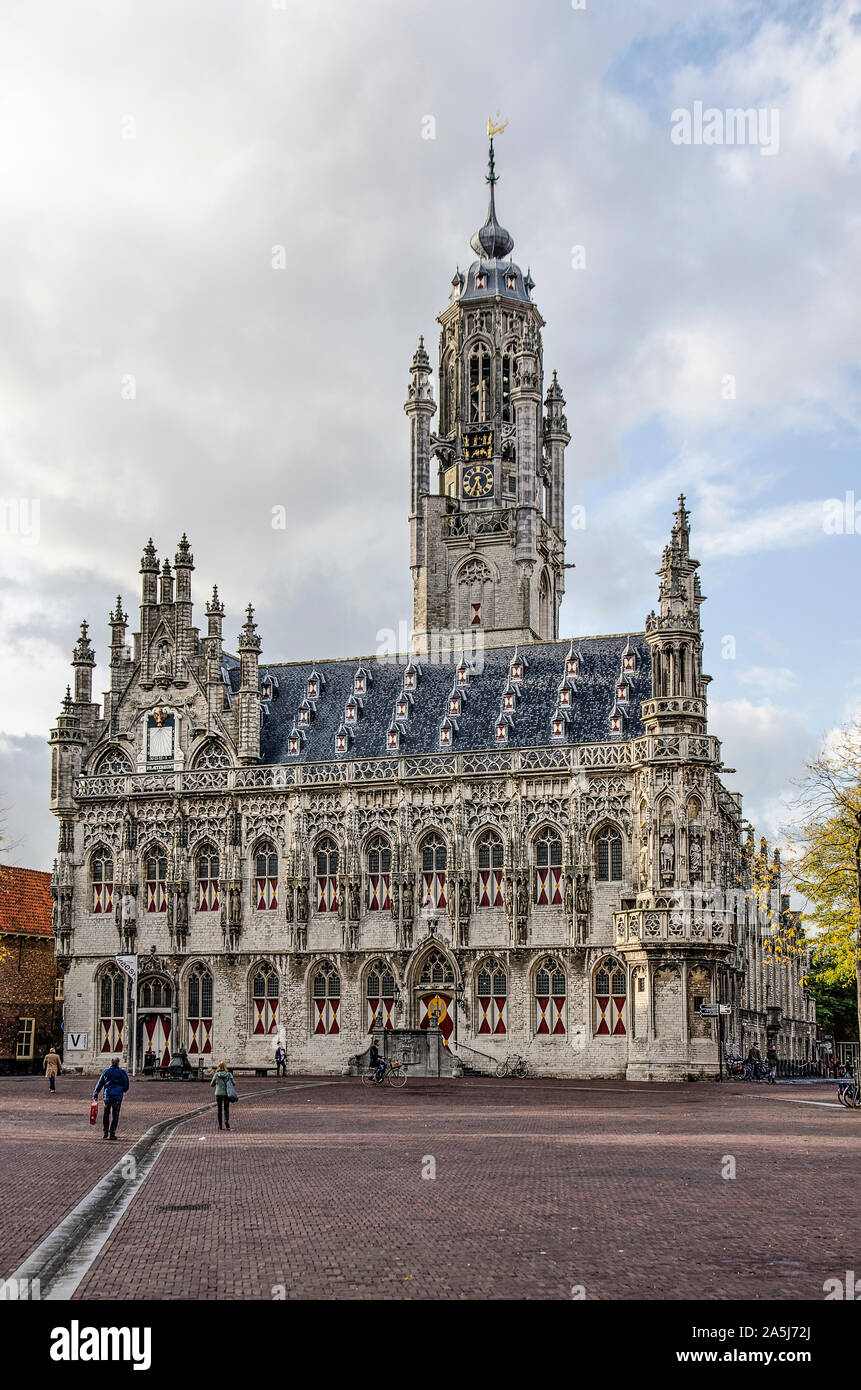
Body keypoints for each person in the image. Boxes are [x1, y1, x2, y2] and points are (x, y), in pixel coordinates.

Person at [93, 1057, 130, 1140]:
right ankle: (112, 1133)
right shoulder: (121, 1072)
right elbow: (126, 1084)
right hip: (117, 1097)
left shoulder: (106, 1072)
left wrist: (95, 1094)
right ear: (118, 1063)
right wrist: (122, 1090)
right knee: (115, 1115)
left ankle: (105, 1132)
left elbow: (100, 1083)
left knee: (106, 1114)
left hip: (107, 1096)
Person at [211, 1061, 236, 1130]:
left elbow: (212, 1084)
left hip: (218, 1093)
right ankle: (226, 1121)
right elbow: (234, 1083)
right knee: (226, 1108)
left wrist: (217, 1083)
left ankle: (220, 1125)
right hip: (226, 1094)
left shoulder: (216, 1074)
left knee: (219, 1109)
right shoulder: (229, 1074)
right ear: (225, 1067)